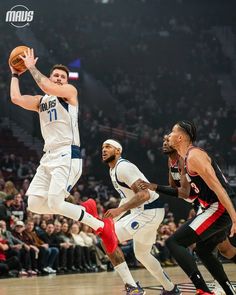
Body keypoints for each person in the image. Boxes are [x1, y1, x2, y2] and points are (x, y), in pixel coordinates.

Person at [9, 48, 117, 255]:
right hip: (48, 156)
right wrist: (14, 74)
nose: (58, 78)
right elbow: (16, 98)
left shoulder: (69, 93)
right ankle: (84, 211)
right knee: (33, 204)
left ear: (66, 82)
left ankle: (101, 226)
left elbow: (43, 84)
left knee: (55, 202)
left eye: (62, 77)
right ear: (51, 77)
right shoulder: (41, 101)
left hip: (67, 154)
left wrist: (31, 67)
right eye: (56, 75)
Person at [140, 134, 236, 295]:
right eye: (162, 140)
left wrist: (154, 187)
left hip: (209, 204)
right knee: (223, 249)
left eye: (167, 140)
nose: (164, 142)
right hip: (202, 204)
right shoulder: (171, 161)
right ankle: (222, 286)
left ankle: (215, 286)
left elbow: (184, 193)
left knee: (211, 248)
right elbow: (174, 187)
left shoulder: (186, 158)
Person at [101, 139, 181, 295]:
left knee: (107, 238)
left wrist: (119, 211)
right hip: (145, 211)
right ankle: (171, 289)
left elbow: (143, 194)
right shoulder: (113, 170)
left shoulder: (123, 167)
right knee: (142, 254)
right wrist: (114, 217)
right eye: (102, 147)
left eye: (108, 147)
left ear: (118, 151)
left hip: (148, 211)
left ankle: (133, 288)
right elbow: (128, 196)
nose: (104, 150)